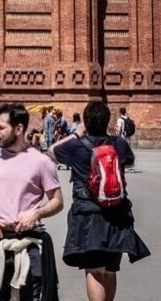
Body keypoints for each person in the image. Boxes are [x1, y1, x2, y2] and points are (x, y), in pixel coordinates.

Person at [48, 101, 150, 301]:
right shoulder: (117, 143)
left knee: (94, 270)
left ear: (85, 122)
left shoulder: (76, 146)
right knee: (110, 270)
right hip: (117, 214)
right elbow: (129, 161)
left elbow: (52, 151)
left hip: (88, 215)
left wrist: (77, 133)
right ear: (107, 121)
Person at [0, 103, 63, 300]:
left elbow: (57, 201)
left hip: (28, 244)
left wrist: (37, 213)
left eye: (1, 127)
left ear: (19, 129)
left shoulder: (42, 162)